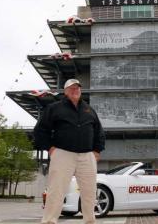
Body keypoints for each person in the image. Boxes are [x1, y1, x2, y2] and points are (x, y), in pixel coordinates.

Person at [34, 78, 105, 224]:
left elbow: (99, 131)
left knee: (90, 192)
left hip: (87, 155)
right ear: (65, 92)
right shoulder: (55, 108)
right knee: (56, 191)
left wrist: (97, 150)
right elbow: (40, 130)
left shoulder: (89, 109)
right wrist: (50, 147)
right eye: (72, 88)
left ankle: (90, 221)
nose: (75, 90)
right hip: (62, 154)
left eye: (77, 88)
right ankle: (49, 221)